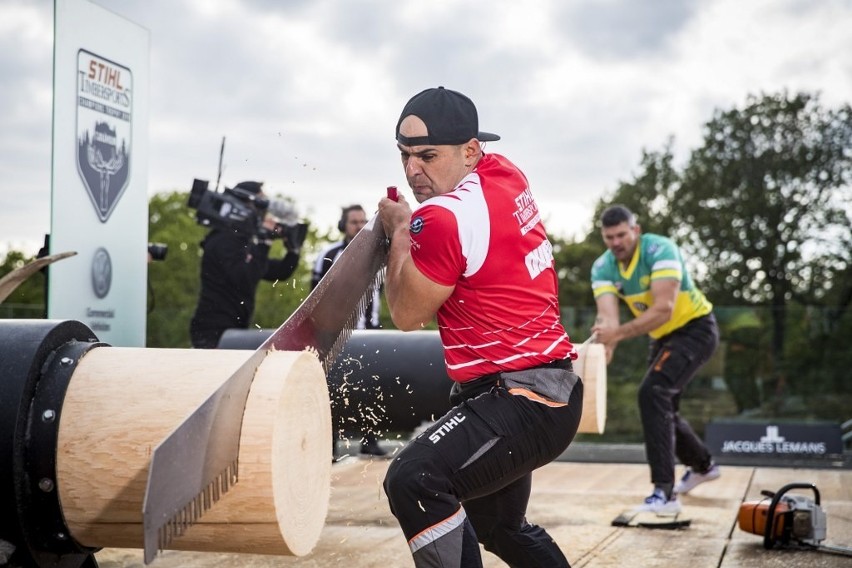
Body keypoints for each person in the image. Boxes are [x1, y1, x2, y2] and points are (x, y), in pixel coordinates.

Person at [377, 86, 582, 567]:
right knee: (497, 527)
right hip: (545, 388)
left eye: (427, 156)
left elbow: (407, 316)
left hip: (524, 398)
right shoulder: (504, 172)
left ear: (470, 150)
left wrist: (401, 230)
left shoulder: (443, 216)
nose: (412, 171)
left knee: (414, 479)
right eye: (404, 156)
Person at [590, 204, 721, 514]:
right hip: (661, 337)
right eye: (609, 237)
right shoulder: (602, 267)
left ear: (635, 230)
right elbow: (608, 319)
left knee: (653, 393)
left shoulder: (660, 249)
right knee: (662, 406)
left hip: (695, 329)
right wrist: (603, 350)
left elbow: (665, 308)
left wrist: (618, 335)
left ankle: (665, 494)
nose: (616, 242)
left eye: (621, 234)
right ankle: (704, 466)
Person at [312, 204, 386, 459]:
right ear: (343, 225)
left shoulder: (380, 254)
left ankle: (371, 440)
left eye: (363, 221)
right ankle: (328, 445)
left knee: (371, 387)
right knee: (330, 389)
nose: (359, 226)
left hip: (369, 332)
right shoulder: (328, 253)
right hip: (333, 332)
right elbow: (314, 296)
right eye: (354, 221)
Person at [189, 181, 300, 349]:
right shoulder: (224, 239)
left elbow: (279, 271)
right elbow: (245, 277)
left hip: (232, 329)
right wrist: (264, 241)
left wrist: (293, 251)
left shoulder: (239, 241)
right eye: (260, 204)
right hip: (213, 331)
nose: (263, 212)